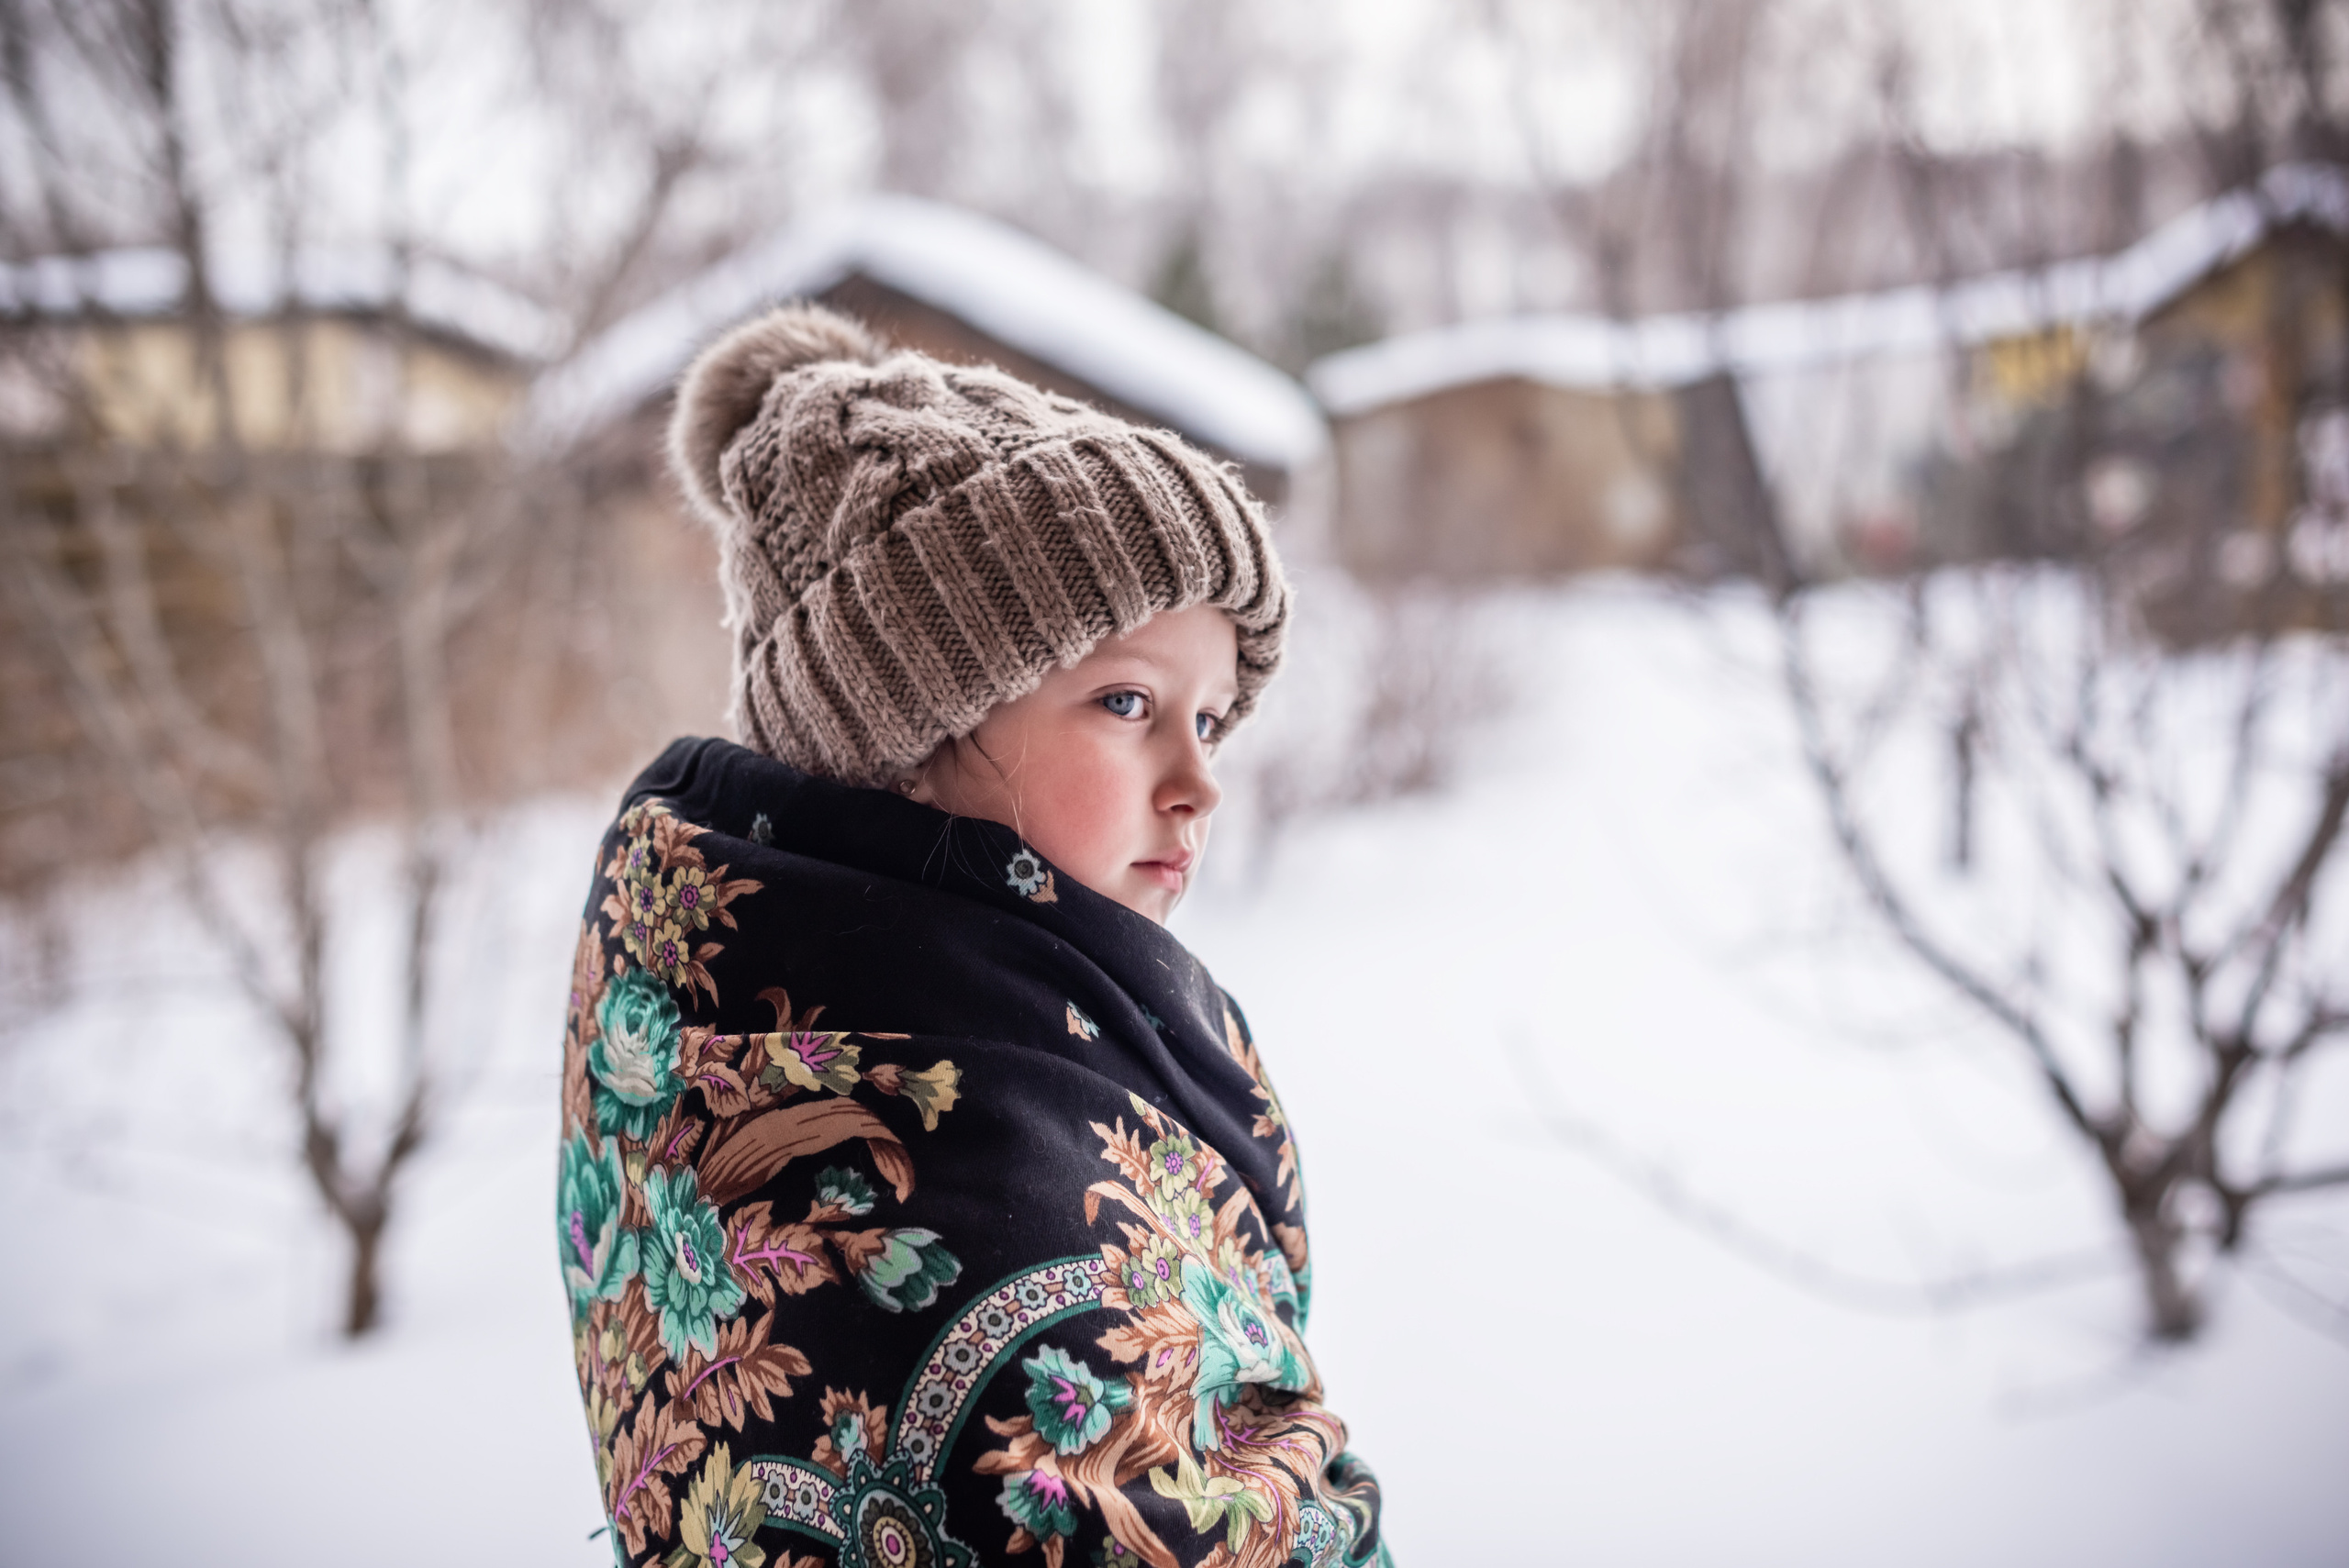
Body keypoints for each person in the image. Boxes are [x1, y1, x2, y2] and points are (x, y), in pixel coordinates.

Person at [556, 304, 1388, 1568]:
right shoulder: (939, 1153)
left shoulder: (872, 998)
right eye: (1127, 702)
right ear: (905, 722)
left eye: (1211, 721)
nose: (1197, 782)